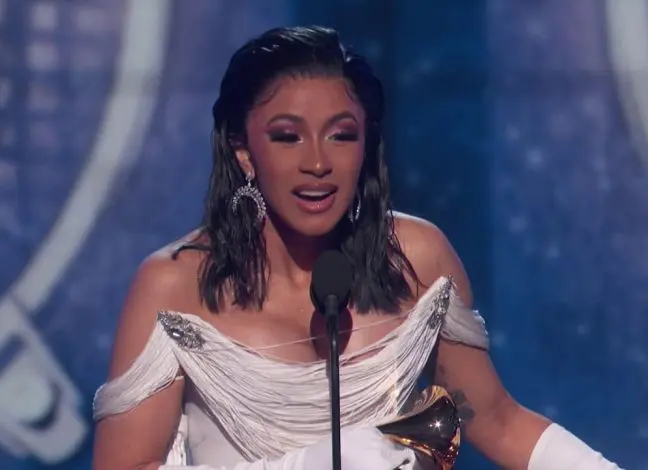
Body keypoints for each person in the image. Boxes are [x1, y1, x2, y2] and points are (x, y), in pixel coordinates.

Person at [92, 26, 622, 470]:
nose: (317, 163)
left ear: (366, 144)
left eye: (341, 135)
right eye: (287, 137)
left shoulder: (418, 258)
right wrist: (303, 465)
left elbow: (497, 421)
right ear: (243, 151)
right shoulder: (174, 286)